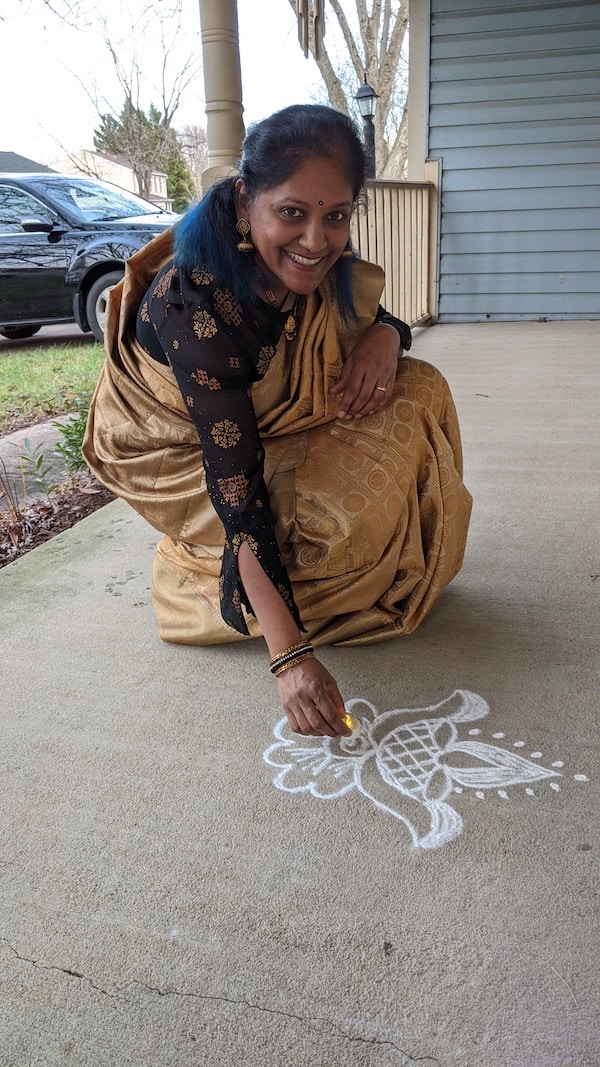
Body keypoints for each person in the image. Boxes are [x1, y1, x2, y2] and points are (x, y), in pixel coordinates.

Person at [83, 104, 472, 741]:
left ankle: (333, 573)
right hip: (186, 462)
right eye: (292, 212)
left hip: (259, 429)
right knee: (340, 521)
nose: (316, 240)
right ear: (245, 201)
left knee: (418, 389)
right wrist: (290, 658)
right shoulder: (196, 303)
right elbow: (238, 493)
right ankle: (221, 581)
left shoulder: (312, 261)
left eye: (335, 216)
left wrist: (387, 335)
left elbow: (369, 319)